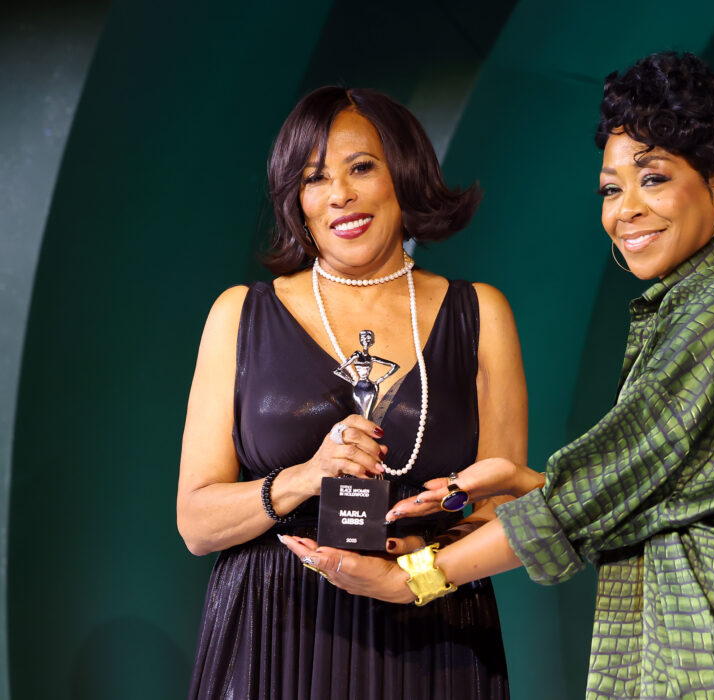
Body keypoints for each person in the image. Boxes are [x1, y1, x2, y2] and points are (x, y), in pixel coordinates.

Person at [283, 52, 714, 698]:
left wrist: (415, 579)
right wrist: (522, 480)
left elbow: (589, 498)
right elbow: (656, 489)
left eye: (652, 179)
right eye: (611, 188)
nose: (625, 211)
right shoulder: (701, 302)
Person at [177, 86, 527, 699]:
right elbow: (196, 524)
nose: (339, 194)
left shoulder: (480, 313)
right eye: (314, 179)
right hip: (272, 635)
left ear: (405, 175)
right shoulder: (240, 314)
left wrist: (419, 555)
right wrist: (305, 476)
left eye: (361, 167)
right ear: (298, 202)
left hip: (431, 634)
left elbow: (501, 507)